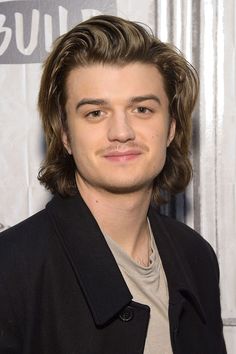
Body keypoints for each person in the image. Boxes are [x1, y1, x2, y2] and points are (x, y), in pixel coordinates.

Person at [0, 15, 226, 354]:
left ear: (171, 128)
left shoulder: (197, 257)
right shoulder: (11, 268)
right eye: (95, 113)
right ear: (65, 135)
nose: (121, 131)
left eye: (142, 109)